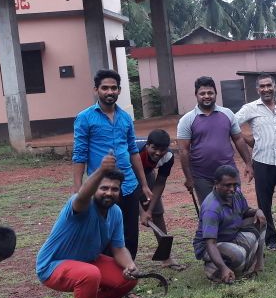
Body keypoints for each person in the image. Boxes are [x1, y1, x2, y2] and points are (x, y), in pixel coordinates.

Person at [37, 153, 138, 298]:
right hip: (53, 265)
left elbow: (118, 248)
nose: (109, 193)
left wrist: (130, 266)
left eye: (115, 189)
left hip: (88, 261)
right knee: (90, 274)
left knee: (129, 279)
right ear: (94, 188)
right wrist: (101, 170)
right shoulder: (81, 205)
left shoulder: (115, 212)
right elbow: (82, 195)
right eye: (104, 188)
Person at [72, 69, 151, 260]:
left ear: (119, 90)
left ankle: (127, 273)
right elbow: (79, 154)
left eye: (113, 88)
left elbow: (133, 151)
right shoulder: (85, 117)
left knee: (130, 235)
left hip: (129, 185)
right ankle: (107, 276)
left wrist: (144, 184)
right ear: (96, 90)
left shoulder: (125, 117)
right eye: (105, 88)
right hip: (103, 187)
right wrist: (78, 188)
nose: (110, 92)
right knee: (105, 235)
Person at [236, 74, 276, 250]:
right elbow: (231, 124)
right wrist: (247, 139)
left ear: (274, 87)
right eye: (262, 86)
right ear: (257, 89)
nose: (266, 89)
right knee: (265, 203)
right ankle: (271, 239)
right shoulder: (250, 108)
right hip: (262, 163)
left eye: (268, 85)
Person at [177, 76, 254, 205]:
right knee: (209, 210)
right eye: (202, 93)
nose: (207, 96)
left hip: (229, 174)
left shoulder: (228, 114)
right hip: (202, 177)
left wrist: (248, 163)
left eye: (210, 93)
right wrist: (188, 178)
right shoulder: (187, 120)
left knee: (234, 207)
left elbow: (239, 139)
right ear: (196, 95)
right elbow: (183, 151)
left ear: (216, 94)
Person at [192, 165, 266, 283]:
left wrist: (257, 211)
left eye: (234, 184)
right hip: (210, 245)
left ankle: (257, 262)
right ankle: (216, 267)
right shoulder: (212, 208)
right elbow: (210, 243)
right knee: (239, 255)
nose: (232, 189)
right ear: (216, 184)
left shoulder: (236, 193)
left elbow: (245, 211)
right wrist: (223, 268)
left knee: (260, 220)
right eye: (227, 185)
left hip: (231, 236)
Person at [138, 129, 181, 267]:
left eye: (162, 149)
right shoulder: (135, 152)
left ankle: (166, 256)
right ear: (147, 145)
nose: (158, 153)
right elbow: (128, 186)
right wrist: (141, 212)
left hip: (147, 173)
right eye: (154, 148)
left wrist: (149, 210)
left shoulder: (168, 156)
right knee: (126, 214)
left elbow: (160, 183)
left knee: (157, 212)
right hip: (124, 174)